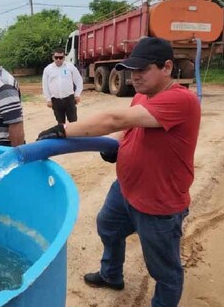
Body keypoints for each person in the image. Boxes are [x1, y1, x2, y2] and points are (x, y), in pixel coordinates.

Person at [37, 37, 201, 307]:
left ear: (167, 67)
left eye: (142, 70)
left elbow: (115, 118)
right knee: (108, 227)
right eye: (132, 70)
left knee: (165, 271)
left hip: (158, 202)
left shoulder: (180, 101)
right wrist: (119, 144)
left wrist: (63, 130)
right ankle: (112, 274)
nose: (134, 76)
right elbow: (129, 125)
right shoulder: (142, 95)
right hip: (126, 188)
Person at [42, 47, 83, 124]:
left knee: (73, 122)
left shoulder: (70, 67)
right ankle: (63, 135)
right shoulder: (47, 69)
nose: (58, 59)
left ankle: (74, 136)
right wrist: (48, 99)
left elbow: (79, 80)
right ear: (53, 57)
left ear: (64, 58)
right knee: (60, 123)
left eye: (60, 57)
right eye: (56, 57)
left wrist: (77, 94)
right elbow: (45, 86)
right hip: (56, 101)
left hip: (69, 99)